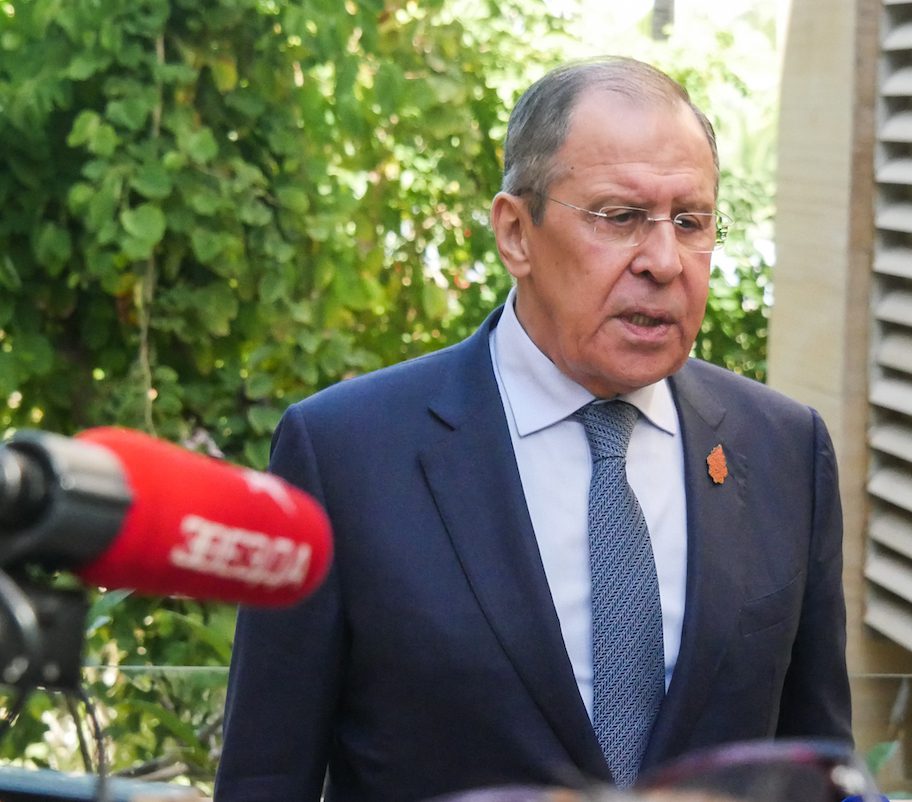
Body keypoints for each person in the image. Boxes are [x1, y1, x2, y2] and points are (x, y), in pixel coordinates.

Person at [214, 55, 851, 802]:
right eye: (619, 218)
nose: (663, 260)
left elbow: (818, 769)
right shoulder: (346, 455)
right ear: (515, 233)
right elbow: (265, 778)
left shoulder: (782, 451)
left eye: (691, 221)